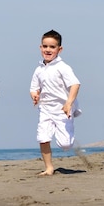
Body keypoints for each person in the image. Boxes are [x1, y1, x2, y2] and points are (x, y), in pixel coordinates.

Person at [29, 29, 81, 176]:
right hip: (45, 109)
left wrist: (69, 103)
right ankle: (49, 167)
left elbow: (75, 84)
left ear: (59, 49)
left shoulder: (63, 67)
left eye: (52, 47)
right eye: (45, 46)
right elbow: (33, 88)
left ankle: (69, 134)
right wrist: (35, 95)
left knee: (65, 144)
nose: (48, 50)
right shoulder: (38, 69)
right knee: (43, 138)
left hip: (62, 109)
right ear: (40, 48)